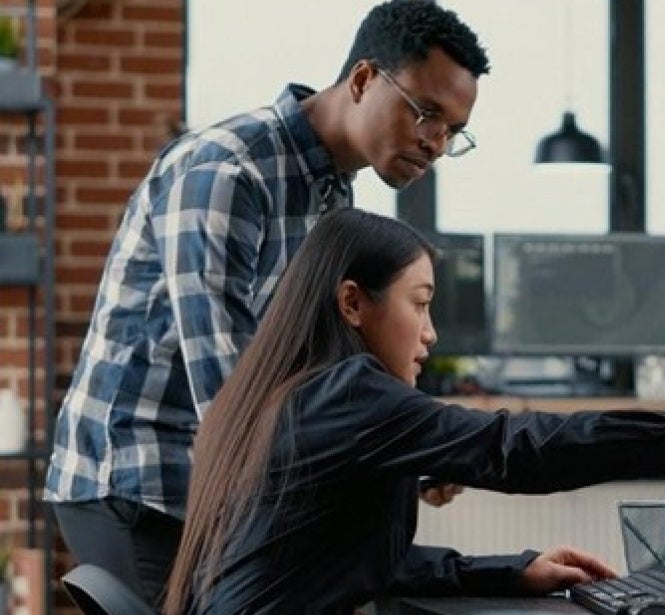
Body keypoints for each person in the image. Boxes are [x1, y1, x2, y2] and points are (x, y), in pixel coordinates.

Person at [160, 208, 665, 615]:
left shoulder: (270, 395)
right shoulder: (345, 393)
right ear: (353, 303)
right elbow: (525, 445)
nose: (432, 332)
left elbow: (352, 567)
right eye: (420, 303)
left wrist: (511, 569)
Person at [44, 0, 487, 606]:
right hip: (139, 480)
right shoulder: (228, 170)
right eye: (426, 113)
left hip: (213, 484)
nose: (436, 142)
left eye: (453, 131)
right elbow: (229, 385)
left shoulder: (331, 198)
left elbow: (316, 369)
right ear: (362, 80)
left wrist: (402, 454)